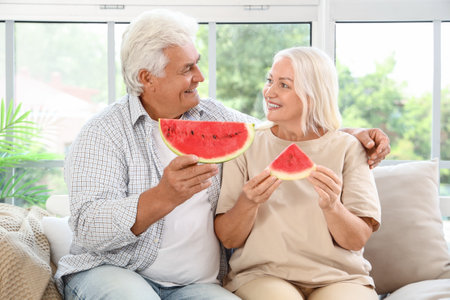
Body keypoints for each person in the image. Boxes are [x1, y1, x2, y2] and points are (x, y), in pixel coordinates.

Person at [55, 9, 389, 300]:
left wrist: (354, 135)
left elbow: (282, 131)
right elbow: (87, 227)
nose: (200, 77)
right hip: (115, 271)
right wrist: (162, 197)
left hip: (197, 285)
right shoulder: (102, 133)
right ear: (147, 78)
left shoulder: (214, 117)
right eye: (187, 69)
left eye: (197, 65)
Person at [214, 46, 381, 300]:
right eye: (270, 80)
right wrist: (248, 202)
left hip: (341, 277)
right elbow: (228, 238)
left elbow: (356, 240)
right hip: (262, 275)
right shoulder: (247, 144)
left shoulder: (349, 148)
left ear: (312, 94)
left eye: (284, 85)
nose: (269, 92)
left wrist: (333, 207)